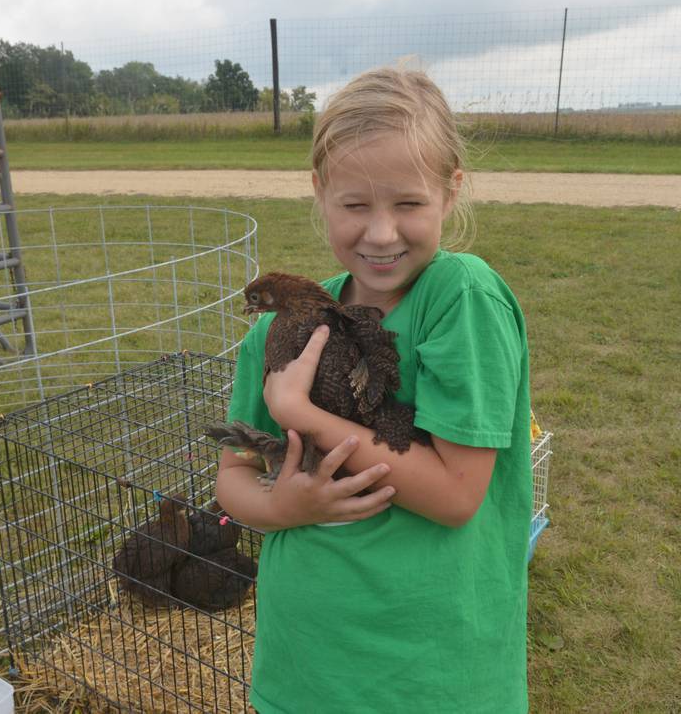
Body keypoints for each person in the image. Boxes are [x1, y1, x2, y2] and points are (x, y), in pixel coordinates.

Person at [215, 66, 532, 713]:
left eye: (408, 204)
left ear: (450, 193)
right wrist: (285, 508)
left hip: (431, 679)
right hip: (304, 671)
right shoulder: (278, 331)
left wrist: (304, 414)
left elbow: (454, 494)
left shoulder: (459, 298)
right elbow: (234, 474)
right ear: (319, 193)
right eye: (355, 205)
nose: (381, 233)